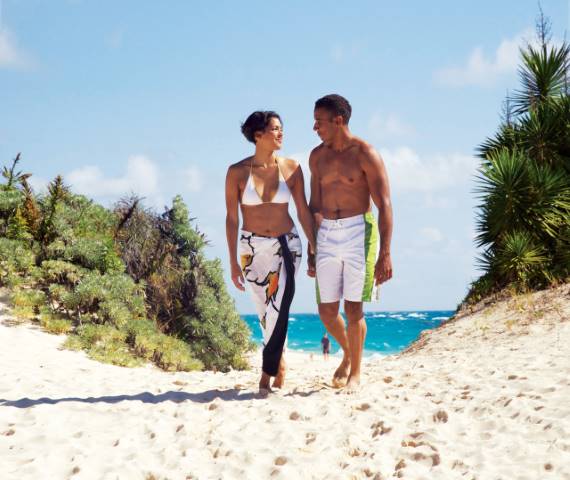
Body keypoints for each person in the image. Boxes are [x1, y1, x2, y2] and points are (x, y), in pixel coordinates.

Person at [225, 110, 316, 394]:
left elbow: (302, 210)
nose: (281, 134)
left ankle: (267, 372)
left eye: (281, 128)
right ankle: (280, 359)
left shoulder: (291, 168)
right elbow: (231, 219)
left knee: (280, 304)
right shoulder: (237, 172)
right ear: (258, 135)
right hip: (251, 249)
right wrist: (232, 261)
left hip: (287, 244)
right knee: (265, 311)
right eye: (275, 129)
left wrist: (313, 247)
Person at [307, 94, 393, 393]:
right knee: (327, 311)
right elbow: (314, 204)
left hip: (360, 231)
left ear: (338, 120)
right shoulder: (317, 157)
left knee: (353, 308)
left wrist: (385, 253)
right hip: (327, 233)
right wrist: (312, 246)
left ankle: (355, 373)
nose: (315, 127)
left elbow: (384, 205)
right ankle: (348, 352)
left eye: (319, 121)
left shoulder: (366, 154)